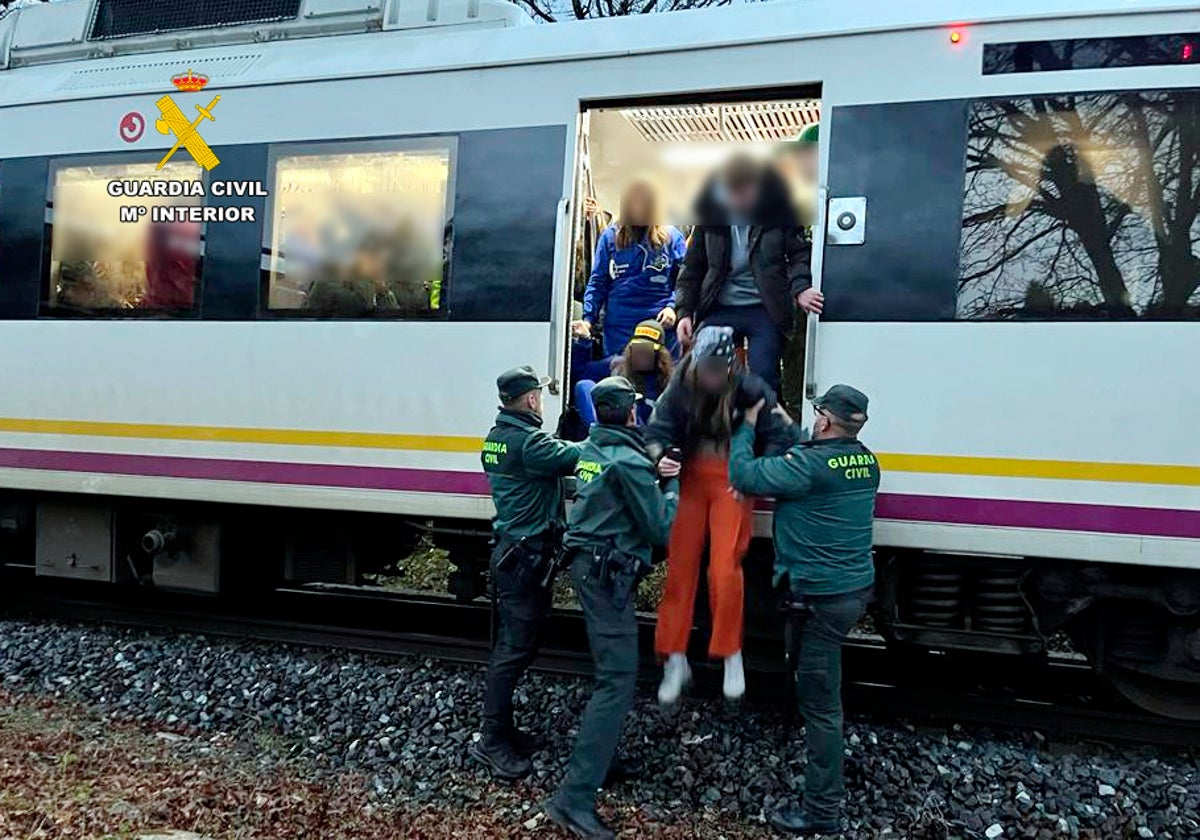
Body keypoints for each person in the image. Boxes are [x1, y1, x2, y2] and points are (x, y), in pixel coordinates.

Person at [728, 385, 880, 835]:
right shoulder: (865, 460)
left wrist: (747, 426)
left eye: (817, 414)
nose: (815, 420)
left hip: (819, 597)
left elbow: (744, 474)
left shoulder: (808, 467)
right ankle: (821, 773)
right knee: (814, 687)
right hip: (852, 590)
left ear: (827, 420)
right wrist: (785, 423)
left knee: (822, 707)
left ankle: (822, 813)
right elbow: (809, 459)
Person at [546, 376, 680, 840]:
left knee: (612, 675)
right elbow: (663, 530)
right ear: (630, 414)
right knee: (617, 680)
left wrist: (650, 469)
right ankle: (573, 800)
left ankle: (601, 761)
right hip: (607, 573)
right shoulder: (627, 461)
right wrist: (672, 487)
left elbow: (615, 476)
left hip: (591, 567)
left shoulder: (592, 450)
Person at [647, 325, 797, 704]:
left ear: (730, 366)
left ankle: (732, 654)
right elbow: (656, 431)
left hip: (732, 478)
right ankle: (674, 657)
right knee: (680, 568)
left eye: (716, 369)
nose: (710, 376)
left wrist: (757, 473)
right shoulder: (681, 384)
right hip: (691, 477)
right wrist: (660, 456)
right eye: (705, 368)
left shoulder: (751, 387)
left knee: (725, 567)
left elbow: (784, 434)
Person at [472, 366, 581, 780]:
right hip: (526, 557)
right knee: (514, 650)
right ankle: (493, 739)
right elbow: (580, 456)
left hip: (514, 555)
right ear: (532, 400)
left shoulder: (497, 439)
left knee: (515, 646)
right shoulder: (530, 443)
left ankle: (501, 730)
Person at [674, 154, 821, 392]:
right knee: (703, 369)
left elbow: (799, 254)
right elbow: (692, 268)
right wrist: (684, 313)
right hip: (719, 305)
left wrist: (800, 288)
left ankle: (761, 424)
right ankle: (710, 424)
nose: (738, 199)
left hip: (763, 306)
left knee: (764, 375)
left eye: (744, 191)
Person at [573, 179, 688, 357]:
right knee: (620, 379)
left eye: (646, 203)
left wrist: (672, 307)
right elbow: (598, 282)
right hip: (620, 327)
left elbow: (685, 282)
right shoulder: (610, 237)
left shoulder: (672, 238)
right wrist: (588, 320)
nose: (640, 208)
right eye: (634, 203)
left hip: (660, 322)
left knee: (661, 379)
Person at [572, 319, 675, 427]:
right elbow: (581, 373)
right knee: (584, 385)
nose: (641, 354)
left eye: (647, 350)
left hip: (647, 438)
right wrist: (585, 340)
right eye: (638, 349)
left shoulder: (670, 382)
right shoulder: (617, 365)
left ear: (659, 354)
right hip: (612, 432)